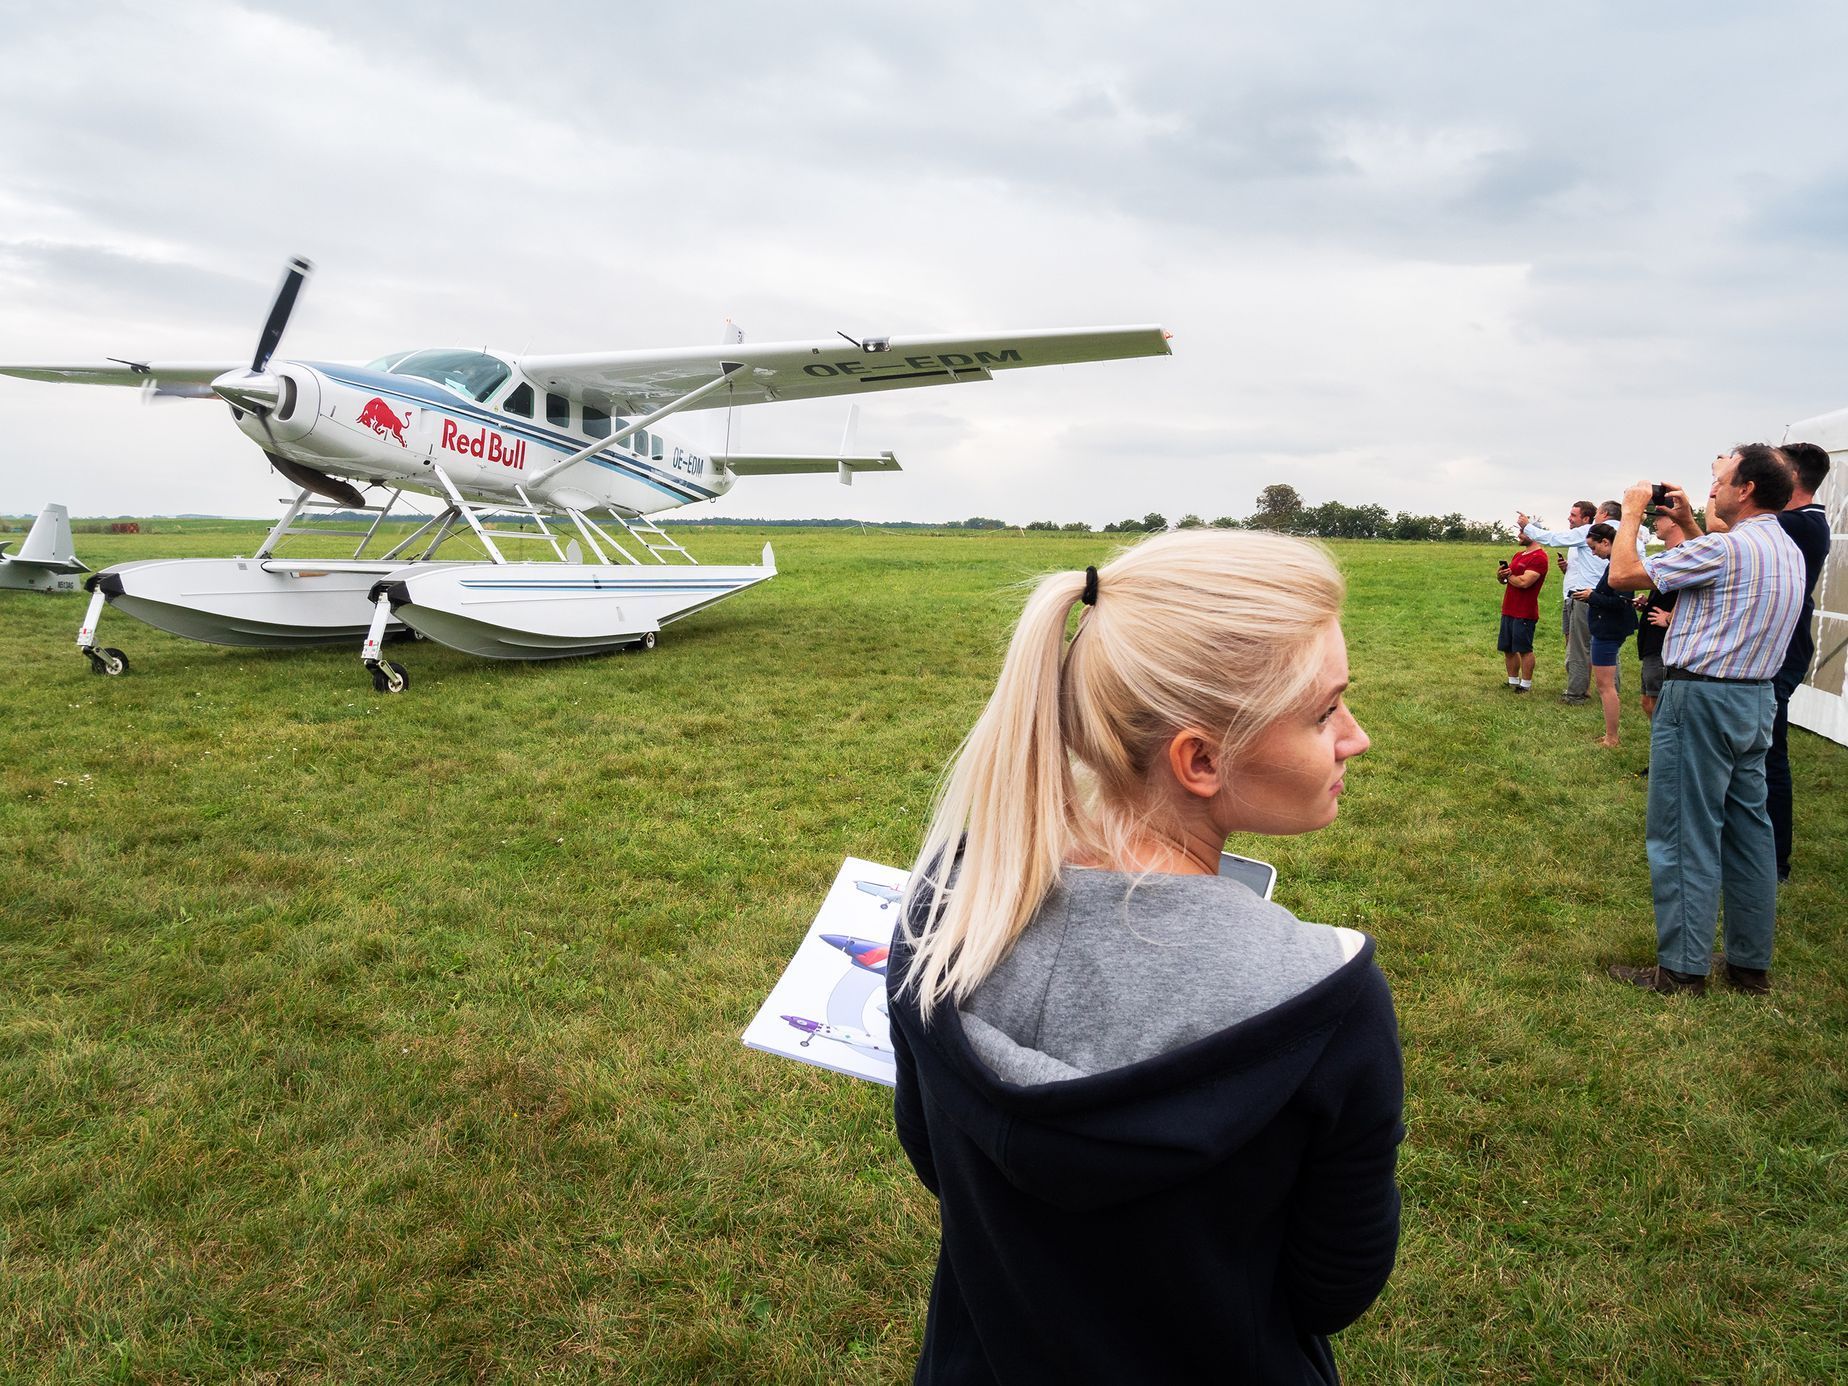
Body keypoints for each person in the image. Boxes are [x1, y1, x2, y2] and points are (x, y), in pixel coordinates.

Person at [888, 529, 1402, 1384]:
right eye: (1324, 712)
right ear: (1199, 759)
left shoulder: (946, 914)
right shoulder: (1330, 999)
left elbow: (931, 1155)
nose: (1356, 738)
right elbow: (1331, 1286)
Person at [1604, 446, 1805, 995]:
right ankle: (1748, 966)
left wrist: (1631, 512)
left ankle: (1683, 969)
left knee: (1682, 831)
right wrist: (1691, 522)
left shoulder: (1729, 549)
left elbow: (1624, 574)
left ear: (1746, 490)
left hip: (1700, 700)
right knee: (1750, 835)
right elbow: (1718, 572)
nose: (1711, 488)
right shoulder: (1783, 548)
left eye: (1719, 480)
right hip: (1755, 701)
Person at [1517, 501, 1598, 702]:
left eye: (1573, 515)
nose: (1569, 518)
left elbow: (1553, 538)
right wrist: (1567, 568)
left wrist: (1528, 526)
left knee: (1579, 646)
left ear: (1586, 519)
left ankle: (1579, 690)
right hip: (1570, 596)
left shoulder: (1585, 533)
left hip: (1582, 597)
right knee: (1572, 643)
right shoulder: (1580, 540)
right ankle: (1578, 684)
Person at [1577, 523, 1637, 748]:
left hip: (1608, 631)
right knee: (1605, 685)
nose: (1593, 553)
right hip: (1606, 630)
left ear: (1605, 542)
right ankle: (1610, 735)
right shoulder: (1616, 562)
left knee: (1605, 686)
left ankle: (1612, 737)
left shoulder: (1619, 566)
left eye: (1594, 548)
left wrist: (1592, 597)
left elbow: (1622, 602)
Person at [1634, 509, 1688, 721]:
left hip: (1664, 644)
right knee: (1648, 701)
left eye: (1660, 517)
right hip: (1652, 640)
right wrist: (1649, 603)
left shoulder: (1685, 553)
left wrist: (1671, 617)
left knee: (1658, 702)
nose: (1655, 522)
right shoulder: (1670, 554)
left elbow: (1694, 593)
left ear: (1675, 521)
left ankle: (1669, 749)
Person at [1497, 529, 1549, 691]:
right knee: (1508, 648)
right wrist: (1501, 576)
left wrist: (1509, 576)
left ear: (1533, 533)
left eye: (1522, 532)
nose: (1518, 535)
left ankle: (1525, 684)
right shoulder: (1519, 555)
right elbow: (1507, 580)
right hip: (1509, 609)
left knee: (1524, 649)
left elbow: (1524, 582)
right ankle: (1512, 680)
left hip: (1525, 611)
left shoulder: (1540, 558)